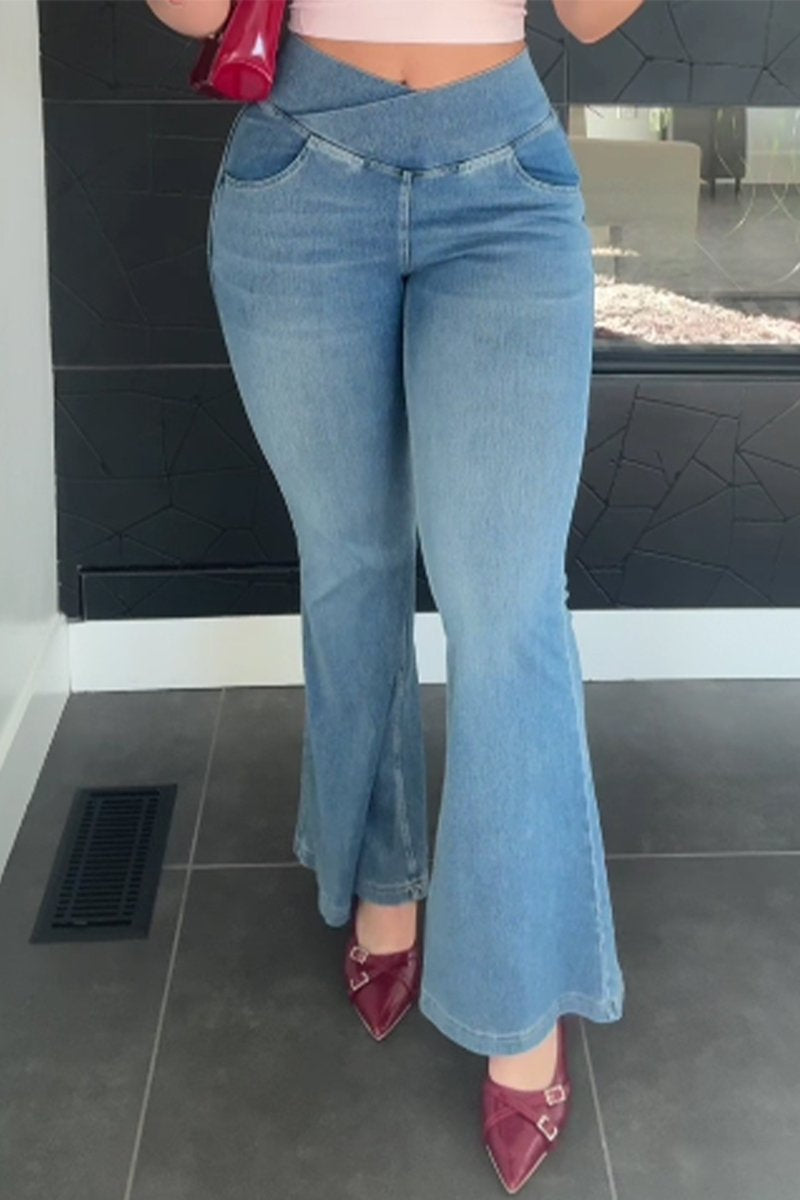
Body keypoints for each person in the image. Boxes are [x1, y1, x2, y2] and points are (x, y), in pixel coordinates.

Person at [147, 0, 645, 1192]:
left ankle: (518, 989)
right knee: (351, 561)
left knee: (507, 609)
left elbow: (591, 17)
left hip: (503, 180)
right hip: (298, 173)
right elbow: (190, 10)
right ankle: (383, 872)